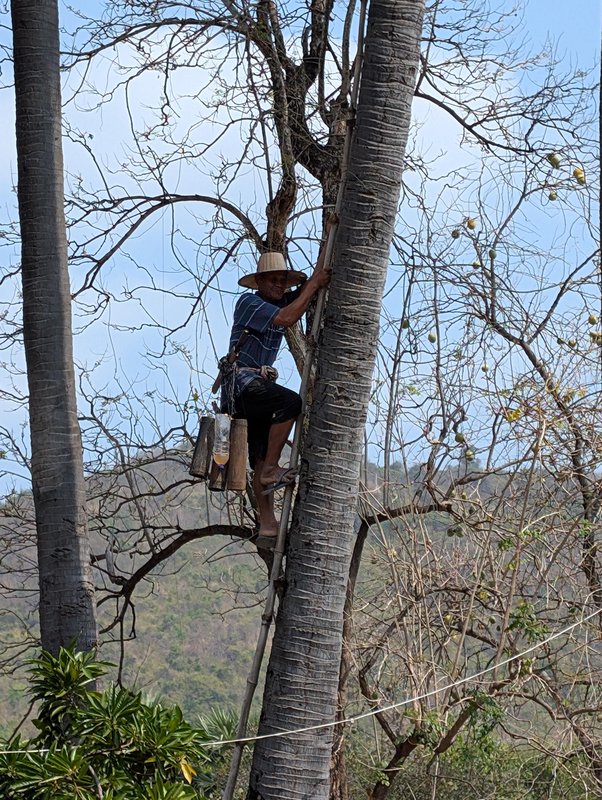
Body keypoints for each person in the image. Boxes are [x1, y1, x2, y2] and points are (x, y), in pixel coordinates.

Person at [221, 244, 331, 546]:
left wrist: (321, 266)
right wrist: (312, 289)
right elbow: (286, 318)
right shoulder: (249, 302)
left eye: (284, 280)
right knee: (290, 402)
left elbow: (307, 289)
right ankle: (271, 469)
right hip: (241, 385)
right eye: (273, 280)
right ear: (259, 282)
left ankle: (268, 525)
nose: (279, 285)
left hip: (253, 389)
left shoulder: (282, 300)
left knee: (257, 456)